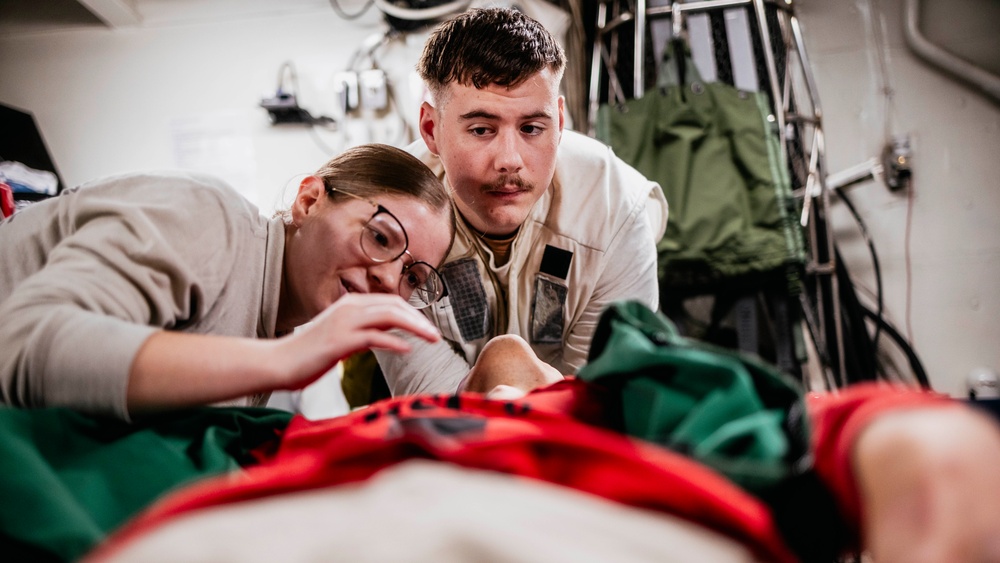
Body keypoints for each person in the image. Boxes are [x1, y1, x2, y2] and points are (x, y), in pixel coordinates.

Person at [0, 143, 455, 421]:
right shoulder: (206, 213)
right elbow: (25, 345)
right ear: (309, 200)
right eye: (380, 236)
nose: (387, 277)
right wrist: (283, 359)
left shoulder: (270, 319)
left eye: (412, 278)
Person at [373, 7, 669, 396]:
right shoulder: (389, 220)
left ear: (559, 123)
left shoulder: (614, 207)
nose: (509, 160)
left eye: (531, 128)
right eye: (481, 129)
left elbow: (599, 398)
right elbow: (431, 397)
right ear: (432, 129)